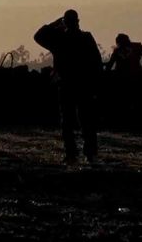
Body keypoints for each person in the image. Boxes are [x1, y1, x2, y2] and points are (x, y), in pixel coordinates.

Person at [34, 9, 103, 165]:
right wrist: (97, 85)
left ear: (65, 22)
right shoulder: (86, 38)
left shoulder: (59, 39)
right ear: (78, 21)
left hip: (67, 84)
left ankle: (71, 154)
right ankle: (90, 153)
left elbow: (38, 36)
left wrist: (55, 24)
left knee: (67, 121)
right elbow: (97, 63)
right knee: (87, 121)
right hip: (84, 84)